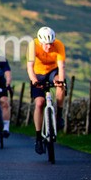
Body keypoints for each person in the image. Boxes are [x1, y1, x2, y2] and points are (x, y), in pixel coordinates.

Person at [27, 26, 66, 154]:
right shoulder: (33, 45)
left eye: (51, 44)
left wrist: (60, 80)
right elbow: (30, 67)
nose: (49, 47)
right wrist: (34, 80)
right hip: (37, 75)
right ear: (40, 41)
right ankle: (38, 138)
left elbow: (61, 66)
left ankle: (59, 115)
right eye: (45, 44)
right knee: (39, 103)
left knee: (60, 84)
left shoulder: (59, 45)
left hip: (52, 72)